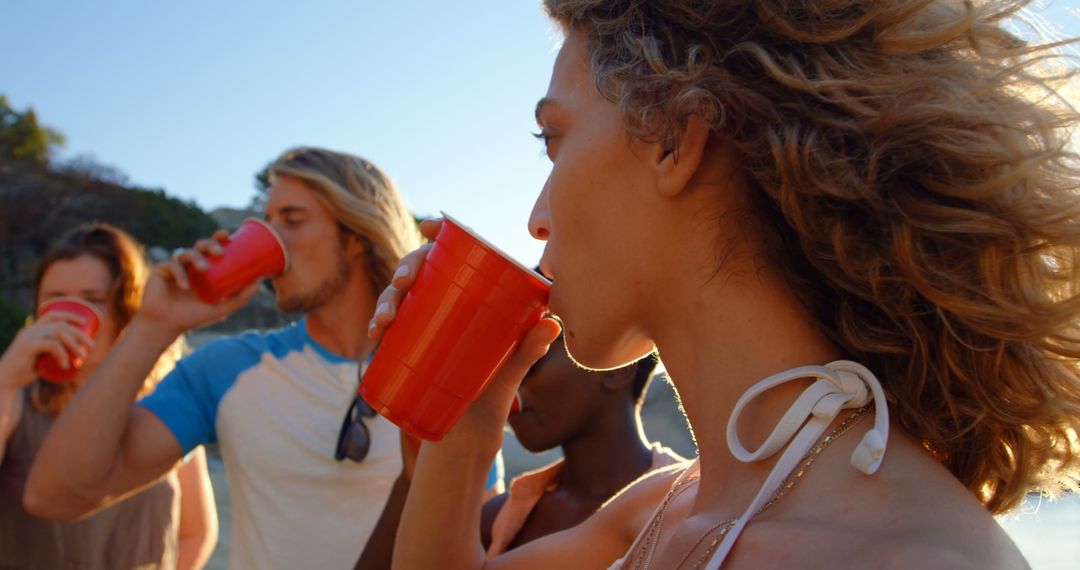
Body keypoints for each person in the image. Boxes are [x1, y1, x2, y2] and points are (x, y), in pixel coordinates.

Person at [372, 1, 1080, 568]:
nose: (536, 217)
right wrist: (464, 423)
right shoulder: (661, 509)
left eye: (554, 141)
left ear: (676, 139)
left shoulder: (918, 559)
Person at [25, 147, 502, 569]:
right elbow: (56, 495)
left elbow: (481, 540)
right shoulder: (226, 368)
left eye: (292, 221)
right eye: (266, 221)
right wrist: (155, 325)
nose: (273, 242)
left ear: (356, 236)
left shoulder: (438, 374)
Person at [0, 222, 217, 570]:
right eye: (55, 299)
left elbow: (196, 531)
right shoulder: (15, 397)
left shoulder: (165, 404)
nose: (71, 313)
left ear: (126, 310)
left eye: (93, 300)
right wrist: (5, 380)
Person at [480, 333, 684, 556]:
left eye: (533, 362)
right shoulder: (493, 521)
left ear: (617, 368)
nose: (509, 387)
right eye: (500, 369)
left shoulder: (690, 507)